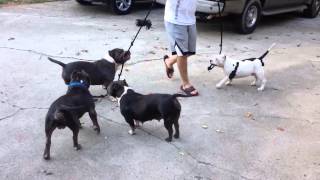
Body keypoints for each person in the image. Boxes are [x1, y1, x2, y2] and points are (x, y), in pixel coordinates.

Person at [163, 0, 199, 97]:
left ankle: (169, 61)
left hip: (190, 18)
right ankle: (185, 84)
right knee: (182, 53)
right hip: (176, 19)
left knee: (189, 52)